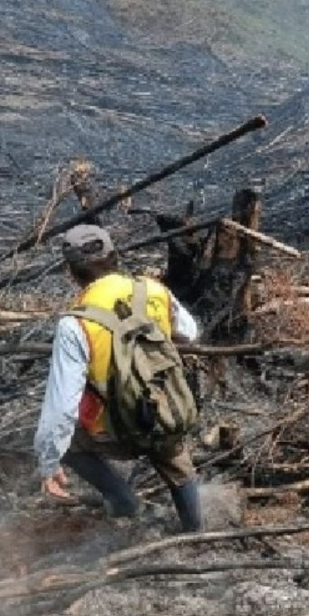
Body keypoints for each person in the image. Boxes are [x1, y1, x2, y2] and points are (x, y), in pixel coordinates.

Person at [33, 225, 203, 531]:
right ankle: (196, 532)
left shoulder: (75, 324)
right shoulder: (155, 291)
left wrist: (49, 463)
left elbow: (61, 407)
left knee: (67, 441)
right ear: (115, 256)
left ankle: (123, 499)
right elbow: (190, 332)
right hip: (165, 415)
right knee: (174, 454)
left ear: (70, 271)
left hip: (116, 429)